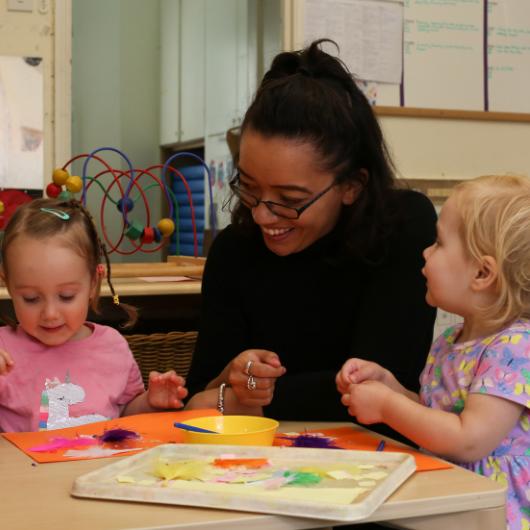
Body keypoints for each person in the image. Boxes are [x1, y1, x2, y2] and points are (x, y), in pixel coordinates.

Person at [185, 39, 437, 435]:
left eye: (290, 200)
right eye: (249, 187)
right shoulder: (234, 251)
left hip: (371, 461)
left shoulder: (403, 226)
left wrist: (244, 397)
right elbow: (197, 397)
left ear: (352, 185)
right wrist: (225, 386)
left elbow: (376, 390)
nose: (262, 214)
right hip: (249, 462)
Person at [337, 174, 530, 530]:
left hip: (493, 515)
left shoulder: (515, 349)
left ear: (482, 273)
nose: (425, 252)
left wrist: (386, 406)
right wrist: (391, 386)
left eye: (439, 243)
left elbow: (466, 439)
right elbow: (436, 415)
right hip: (449, 500)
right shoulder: (451, 339)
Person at [0, 198, 188, 432]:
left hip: (99, 466)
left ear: (92, 284)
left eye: (66, 296)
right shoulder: (4, 349)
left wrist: (150, 402)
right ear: (8, 285)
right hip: (27, 468)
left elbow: (125, 413)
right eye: (31, 298)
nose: (49, 314)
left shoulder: (112, 346)